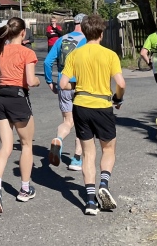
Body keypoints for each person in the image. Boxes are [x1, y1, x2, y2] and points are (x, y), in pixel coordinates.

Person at [59, 14, 126, 216]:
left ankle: (89, 201)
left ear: (85, 32)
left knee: (88, 153)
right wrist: (118, 98)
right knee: (108, 148)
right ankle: (103, 184)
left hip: (80, 105)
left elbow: (63, 84)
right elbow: (121, 83)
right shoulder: (110, 55)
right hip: (102, 105)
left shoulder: (75, 55)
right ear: (101, 33)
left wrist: (77, 86)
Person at [0, 17, 40, 214]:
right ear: (23, 33)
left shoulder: (0, 51)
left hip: (1, 99)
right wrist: (37, 82)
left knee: (5, 147)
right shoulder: (27, 52)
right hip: (18, 98)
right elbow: (30, 80)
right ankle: (25, 189)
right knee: (26, 144)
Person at [44, 13, 87, 171]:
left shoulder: (62, 39)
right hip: (80, 84)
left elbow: (47, 62)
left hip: (63, 83)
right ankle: (76, 159)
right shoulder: (87, 41)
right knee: (82, 122)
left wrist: (49, 81)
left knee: (68, 121)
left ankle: (59, 139)